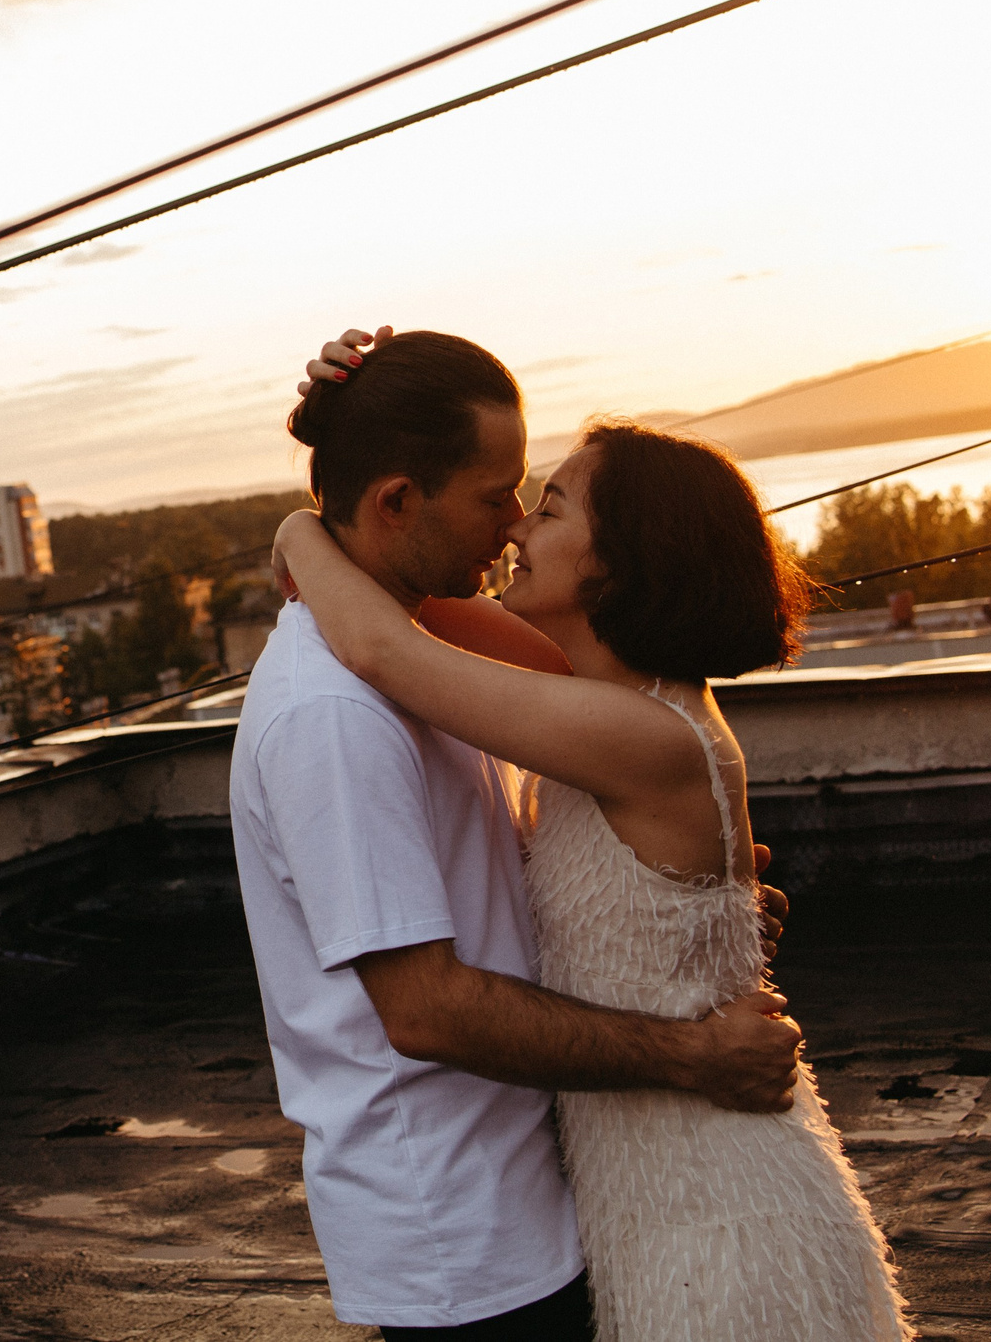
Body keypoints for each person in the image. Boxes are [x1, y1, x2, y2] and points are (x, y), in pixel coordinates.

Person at [271, 328, 911, 1340]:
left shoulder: (636, 732)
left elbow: (384, 643)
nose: (517, 523)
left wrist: (300, 531)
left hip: (717, 1218)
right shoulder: (576, 693)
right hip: (640, 1205)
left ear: (615, 561)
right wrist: (332, 477)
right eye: (508, 497)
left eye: (549, 505)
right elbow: (390, 611)